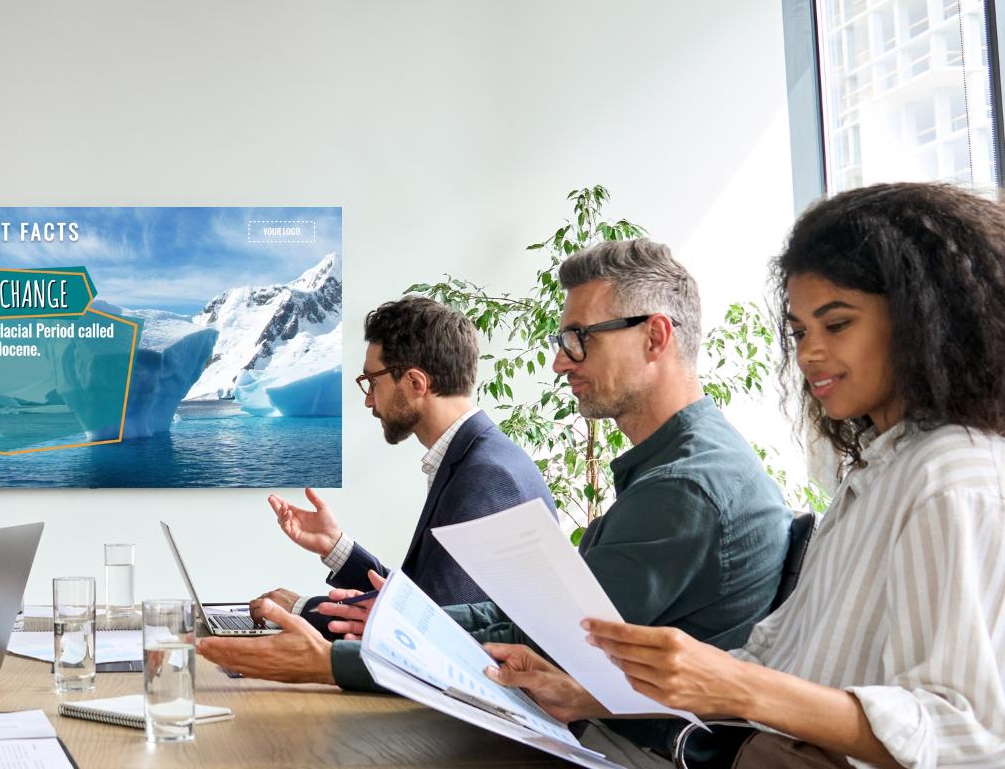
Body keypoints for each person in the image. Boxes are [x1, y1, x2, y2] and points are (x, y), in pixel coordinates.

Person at [203, 239, 791, 757]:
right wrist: (368, 612)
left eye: (578, 339)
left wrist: (335, 659)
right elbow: (533, 621)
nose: (560, 361)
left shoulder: (684, 488)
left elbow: (546, 640)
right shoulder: (677, 470)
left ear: (655, 336)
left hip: (625, 749)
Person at [488, 183, 1005, 768]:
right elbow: (771, 668)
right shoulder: (879, 469)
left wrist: (732, 686)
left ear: (924, 322)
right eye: (800, 331)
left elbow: (964, 734)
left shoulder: (952, 479)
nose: (809, 354)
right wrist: (590, 694)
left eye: (836, 325)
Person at [250, 295, 554, 640]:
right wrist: (334, 546)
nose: (368, 400)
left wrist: (300, 609)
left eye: (372, 382)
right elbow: (423, 601)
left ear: (415, 383)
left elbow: (429, 630)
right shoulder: (478, 457)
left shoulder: (486, 475)